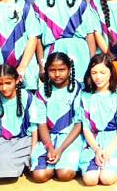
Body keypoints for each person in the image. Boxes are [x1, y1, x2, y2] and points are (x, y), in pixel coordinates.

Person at [33, 0, 98, 84]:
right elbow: (38, 38)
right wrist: (42, 65)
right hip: (54, 52)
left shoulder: (80, 2)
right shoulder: (39, 3)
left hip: (80, 53)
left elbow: (89, 33)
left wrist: (93, 61)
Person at [78, 54, 117, 186]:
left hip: (115, 141)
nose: (98, 77)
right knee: (90, 180)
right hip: (93, 141)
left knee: (107, 178)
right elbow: (86, 128)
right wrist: (97, 149)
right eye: (94, 73)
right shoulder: (85, 95)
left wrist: (108, 151)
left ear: (111, 72)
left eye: (103, 72)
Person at [31, 52, 84, 183]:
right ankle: (52, 164)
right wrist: (50, 147)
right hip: (49, 139)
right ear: (46, 70)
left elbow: (79, 124)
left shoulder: (78, 89)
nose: (57, 74)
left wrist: (60, 149)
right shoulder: (42, 91)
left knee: (64, 175)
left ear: (69, 69)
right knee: (39, 176)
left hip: (70, 138)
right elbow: (41, 123)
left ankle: (65, 164)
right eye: (52, 70)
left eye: (62, 70)